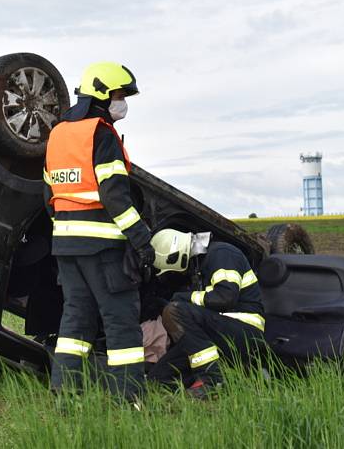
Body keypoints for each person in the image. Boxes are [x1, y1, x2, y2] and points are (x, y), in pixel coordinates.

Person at [43, 61, 154, 402]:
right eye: (121, 95)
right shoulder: (101, 134)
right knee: (120, 320)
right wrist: (142, 241)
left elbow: (48, 195)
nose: (124, 102)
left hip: (66, 247)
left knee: (75, 321)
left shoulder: (58, 134)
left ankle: (65, 395)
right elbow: (114, 195)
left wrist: (67, 229)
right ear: (103, 95)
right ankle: (129, 399)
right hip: (103, 249)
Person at [147, 228, 269, 398]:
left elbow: (225, 297)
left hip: (244, 331)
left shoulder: (222, 254)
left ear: (176, 257)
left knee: (174, 311)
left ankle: (212, 380)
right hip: (215, 331)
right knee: (157, 379)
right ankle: (201, 387)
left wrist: (185, 297)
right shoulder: (200, 265)